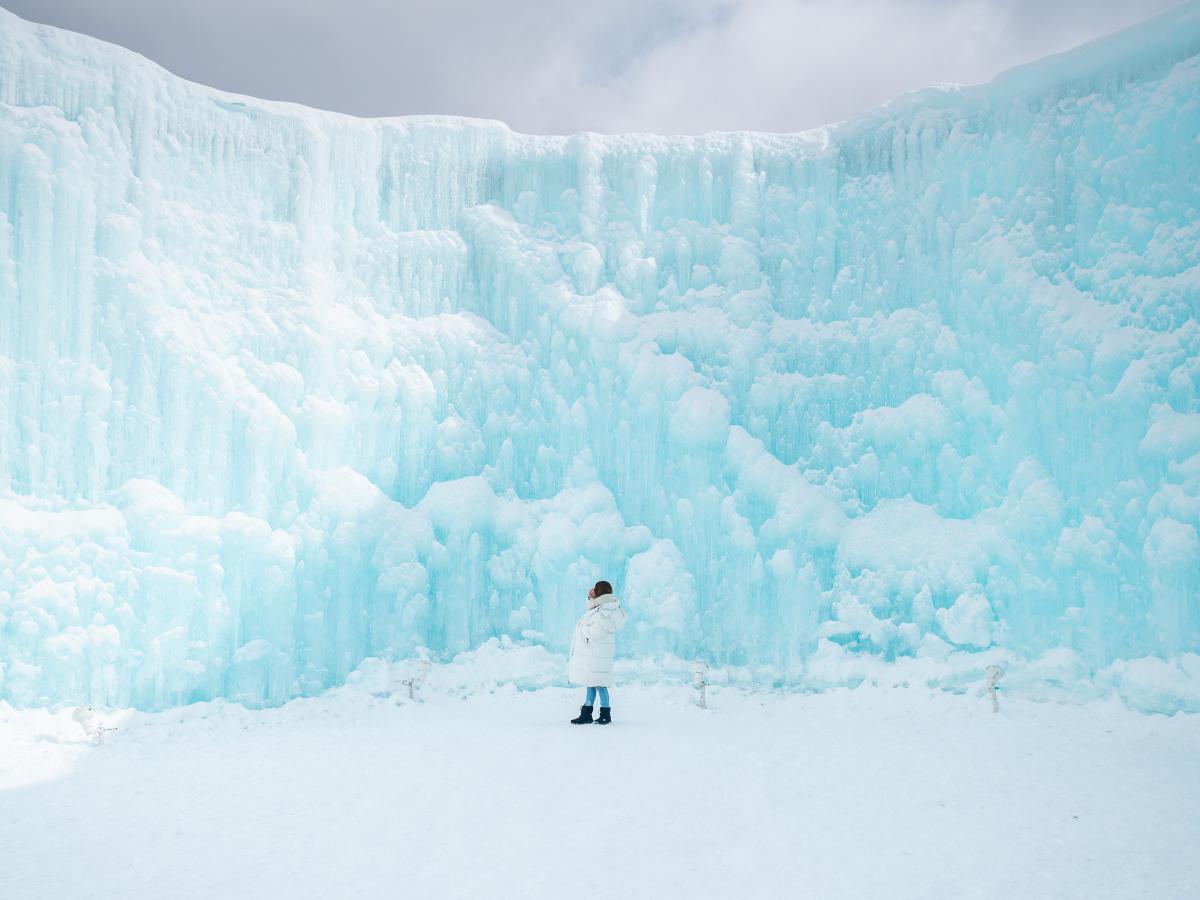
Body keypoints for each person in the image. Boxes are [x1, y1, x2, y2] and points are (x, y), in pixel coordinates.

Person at [567, 580, 627, 725]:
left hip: (597, 655)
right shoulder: (607, 609)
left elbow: (595, 631)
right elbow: (592, 610)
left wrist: (582, 630)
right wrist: (591, 598)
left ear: (599, 593)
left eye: (595, 591)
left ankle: (605, 714)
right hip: (598, 654)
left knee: (599, 684)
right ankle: (587, 713)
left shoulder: (603, 613)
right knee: (592, 683)